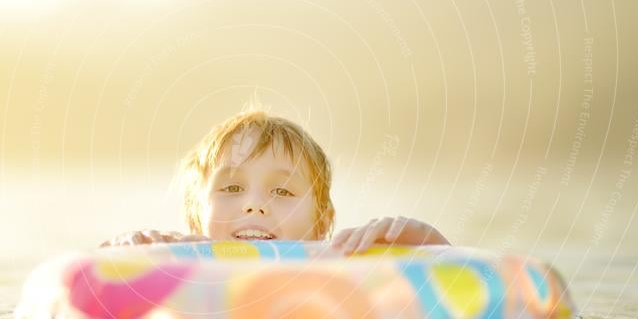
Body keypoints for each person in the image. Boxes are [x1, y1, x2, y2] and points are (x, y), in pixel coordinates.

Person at [100, 108, 450, 253]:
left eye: (282, 191)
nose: (254, 204)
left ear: (322, 224)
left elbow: (477, 290)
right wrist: (122, 248)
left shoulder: (342, 267)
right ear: (194, 217)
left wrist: (420, 239)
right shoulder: (175, 268)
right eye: (232, 188)